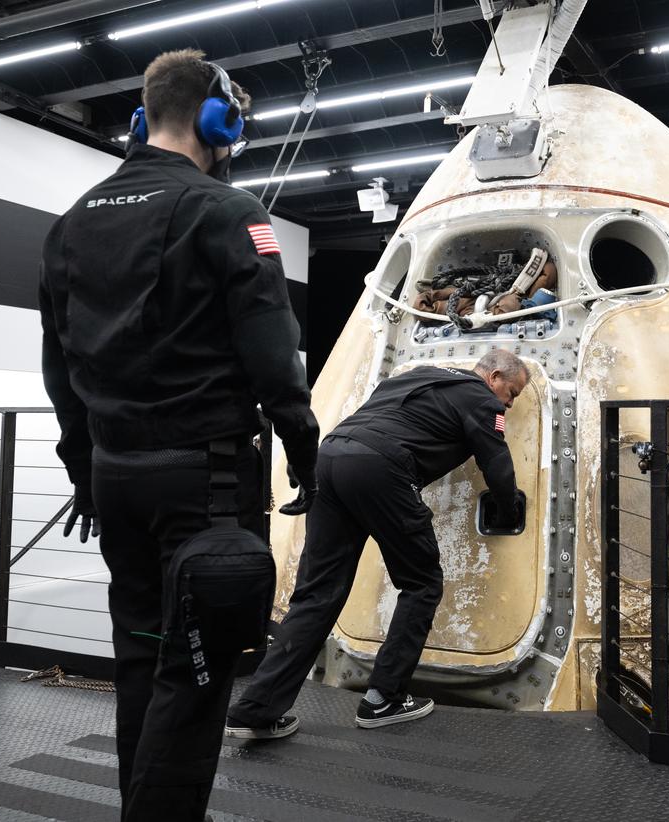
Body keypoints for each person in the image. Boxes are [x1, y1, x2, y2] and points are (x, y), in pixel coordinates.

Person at [38, 48, 319, 822]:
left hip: (117, 484)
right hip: (206, 486)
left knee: (142, 661)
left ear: (141, 118)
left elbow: (60, 377)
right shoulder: (229, 212)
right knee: (195, 682)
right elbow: (272, 356)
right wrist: (302, 449)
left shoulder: (67, 227)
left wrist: (84, 474)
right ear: (216, 119)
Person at [225, 349, 528, 736]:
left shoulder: (416, 374)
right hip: (382, 469)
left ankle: (255, 710)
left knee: (315, 594)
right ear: (495, 375)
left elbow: (371, 418)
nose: (510, 402)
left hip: (329, 460)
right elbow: (496, 461)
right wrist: (508, 508)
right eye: (512, 392)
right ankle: (383, 699)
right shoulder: (483, 400)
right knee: (421, 583)